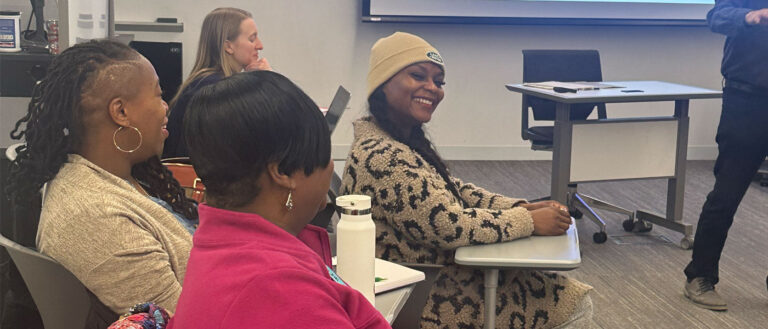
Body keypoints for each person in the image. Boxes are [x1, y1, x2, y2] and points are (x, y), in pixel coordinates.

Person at [340, 32, 594, 329]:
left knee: (556, 288)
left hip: (433, 276)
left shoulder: (395, 138)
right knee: (573, 302)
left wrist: (523, 207)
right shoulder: (383, 157)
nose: (432, 88)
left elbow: (454, 189)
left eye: (439, 81)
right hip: (425, 296)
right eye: (418, 75)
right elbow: (448, 225)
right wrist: (528, 221)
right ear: (383, 83)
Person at [168, 70, 390, 329]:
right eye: (323, 153)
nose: (330, 167)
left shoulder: (222, 249)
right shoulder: (279, 287)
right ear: (283, 171)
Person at [6, 40, 197, 322]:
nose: (165, 107)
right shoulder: (96, 218)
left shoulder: (112, 174)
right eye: (158, 95)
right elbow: (186, 320)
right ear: (120, 112)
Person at [683, 2, 768, 311]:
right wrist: (748, 16)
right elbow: (716, 16)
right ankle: (700, 277)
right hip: (747, 100)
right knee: (726, 195)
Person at [162, 7, 271, 158]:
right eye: (252, 39)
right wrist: (267, 82)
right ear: (228, 46)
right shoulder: (213, 90)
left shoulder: (208, 83)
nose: (260, 45)